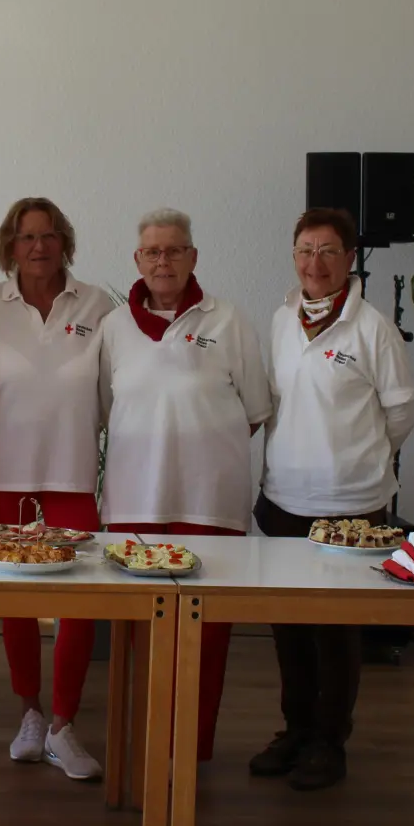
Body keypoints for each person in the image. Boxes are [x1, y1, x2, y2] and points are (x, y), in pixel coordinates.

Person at [249, 207, 414, 790]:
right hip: (283, 498)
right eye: (303, 249)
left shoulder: (374, 329)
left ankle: (329, 741)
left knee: (337, 629)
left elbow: (400, 414)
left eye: (327, 251)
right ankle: (295, 731)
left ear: (349, 259)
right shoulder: (280, 320)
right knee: (288, 626)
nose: (313, 263)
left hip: (351, 506)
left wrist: (355, 459)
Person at [98, 207, 271, 765]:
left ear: (194, 256)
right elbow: (105, 410)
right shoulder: (114, 327)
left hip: (209, 504)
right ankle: (144, 747)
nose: (164, 260)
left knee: (205, 637)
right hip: (133, 505)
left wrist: (198, 446)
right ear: (137, 260)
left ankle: (191, 752)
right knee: (140, 637)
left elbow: (254, 409)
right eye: (153, 251)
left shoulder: (228, 320)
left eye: (174, 250)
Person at [0, 197, 115, 780]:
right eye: (27, 237)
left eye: (50, 236)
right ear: (11, 245)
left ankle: (64, 723)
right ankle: (29, 712)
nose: (39, 247)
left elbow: (112, 391)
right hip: (6, 473)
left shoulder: (99, 304)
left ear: (66, 243)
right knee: (17, 603)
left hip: (72, 471)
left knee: (78, 604)